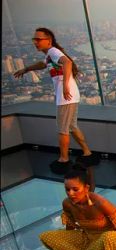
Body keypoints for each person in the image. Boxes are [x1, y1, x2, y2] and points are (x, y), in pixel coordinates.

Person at [13, 27, 97, 174]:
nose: (35, 42)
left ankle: (64, 159)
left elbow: (68, 63)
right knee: (71, 126)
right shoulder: (50, 55)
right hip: (68, 95)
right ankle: (87, 153)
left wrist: (64, 86)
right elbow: (43, 64)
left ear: (48, 40)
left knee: (62, 129)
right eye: (34, 39)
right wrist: (26, 69)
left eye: (38, 39)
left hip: (66, 97)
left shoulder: (53, 51)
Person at [39, 164, 116, 250]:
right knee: (46, 236)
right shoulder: (67, 203)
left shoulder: (100, 202)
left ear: (86, 188)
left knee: (109, 237)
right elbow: (70, 224)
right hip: (87, 238)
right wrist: (63, 245)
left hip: (109, 239)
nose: (70, 193)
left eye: (75, 189)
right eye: (67, 189)